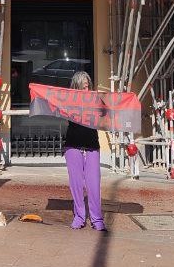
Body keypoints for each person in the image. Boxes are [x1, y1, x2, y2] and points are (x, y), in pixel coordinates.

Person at [63, 71, 106, 231]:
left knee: (94, 184)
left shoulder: (96, 101)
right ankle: (79, 217)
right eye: (82, 88)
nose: (85, 91)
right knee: (76, 184)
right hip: (73, 145)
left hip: (92, 145)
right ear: (75, 88)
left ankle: (97, 219)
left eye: (87, 87)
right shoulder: (68, 102)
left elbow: (107, 114)